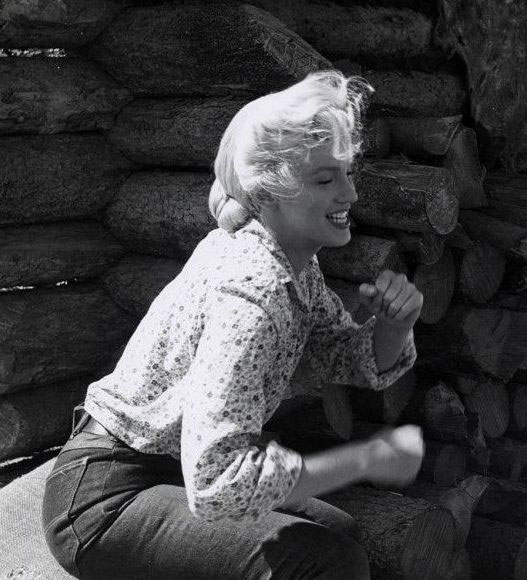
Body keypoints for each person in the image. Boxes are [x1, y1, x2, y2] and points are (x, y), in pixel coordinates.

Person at [42, 69, 424, 580]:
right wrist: (364, 459)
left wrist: (393, 326)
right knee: (328, 562)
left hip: (168, 472)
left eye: (347, 173)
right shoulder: (251, 293)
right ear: (270, 192)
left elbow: (342, 354)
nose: (350, 194)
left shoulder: (292, 265)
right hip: (105, 501)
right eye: (326, 179)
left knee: (339, 532)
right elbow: (218, 483)